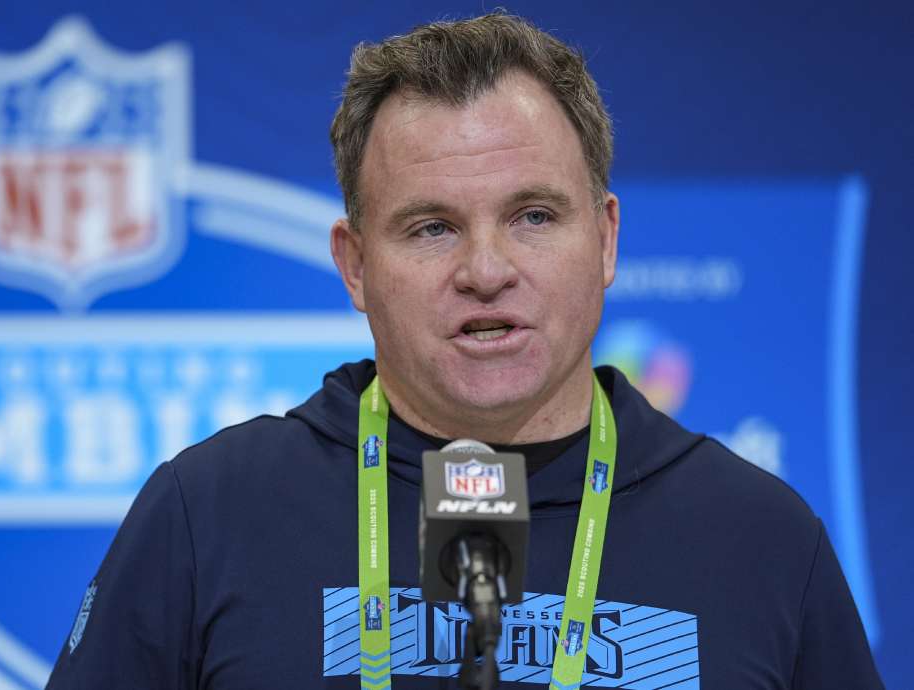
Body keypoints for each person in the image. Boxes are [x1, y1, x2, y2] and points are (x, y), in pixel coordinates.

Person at [46, 11, 882, 689]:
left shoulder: (764, 539)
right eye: (433, 227)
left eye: (534, 217)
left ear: (606, 240)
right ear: (356, 265)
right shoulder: (206, 515)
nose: (486, 271)